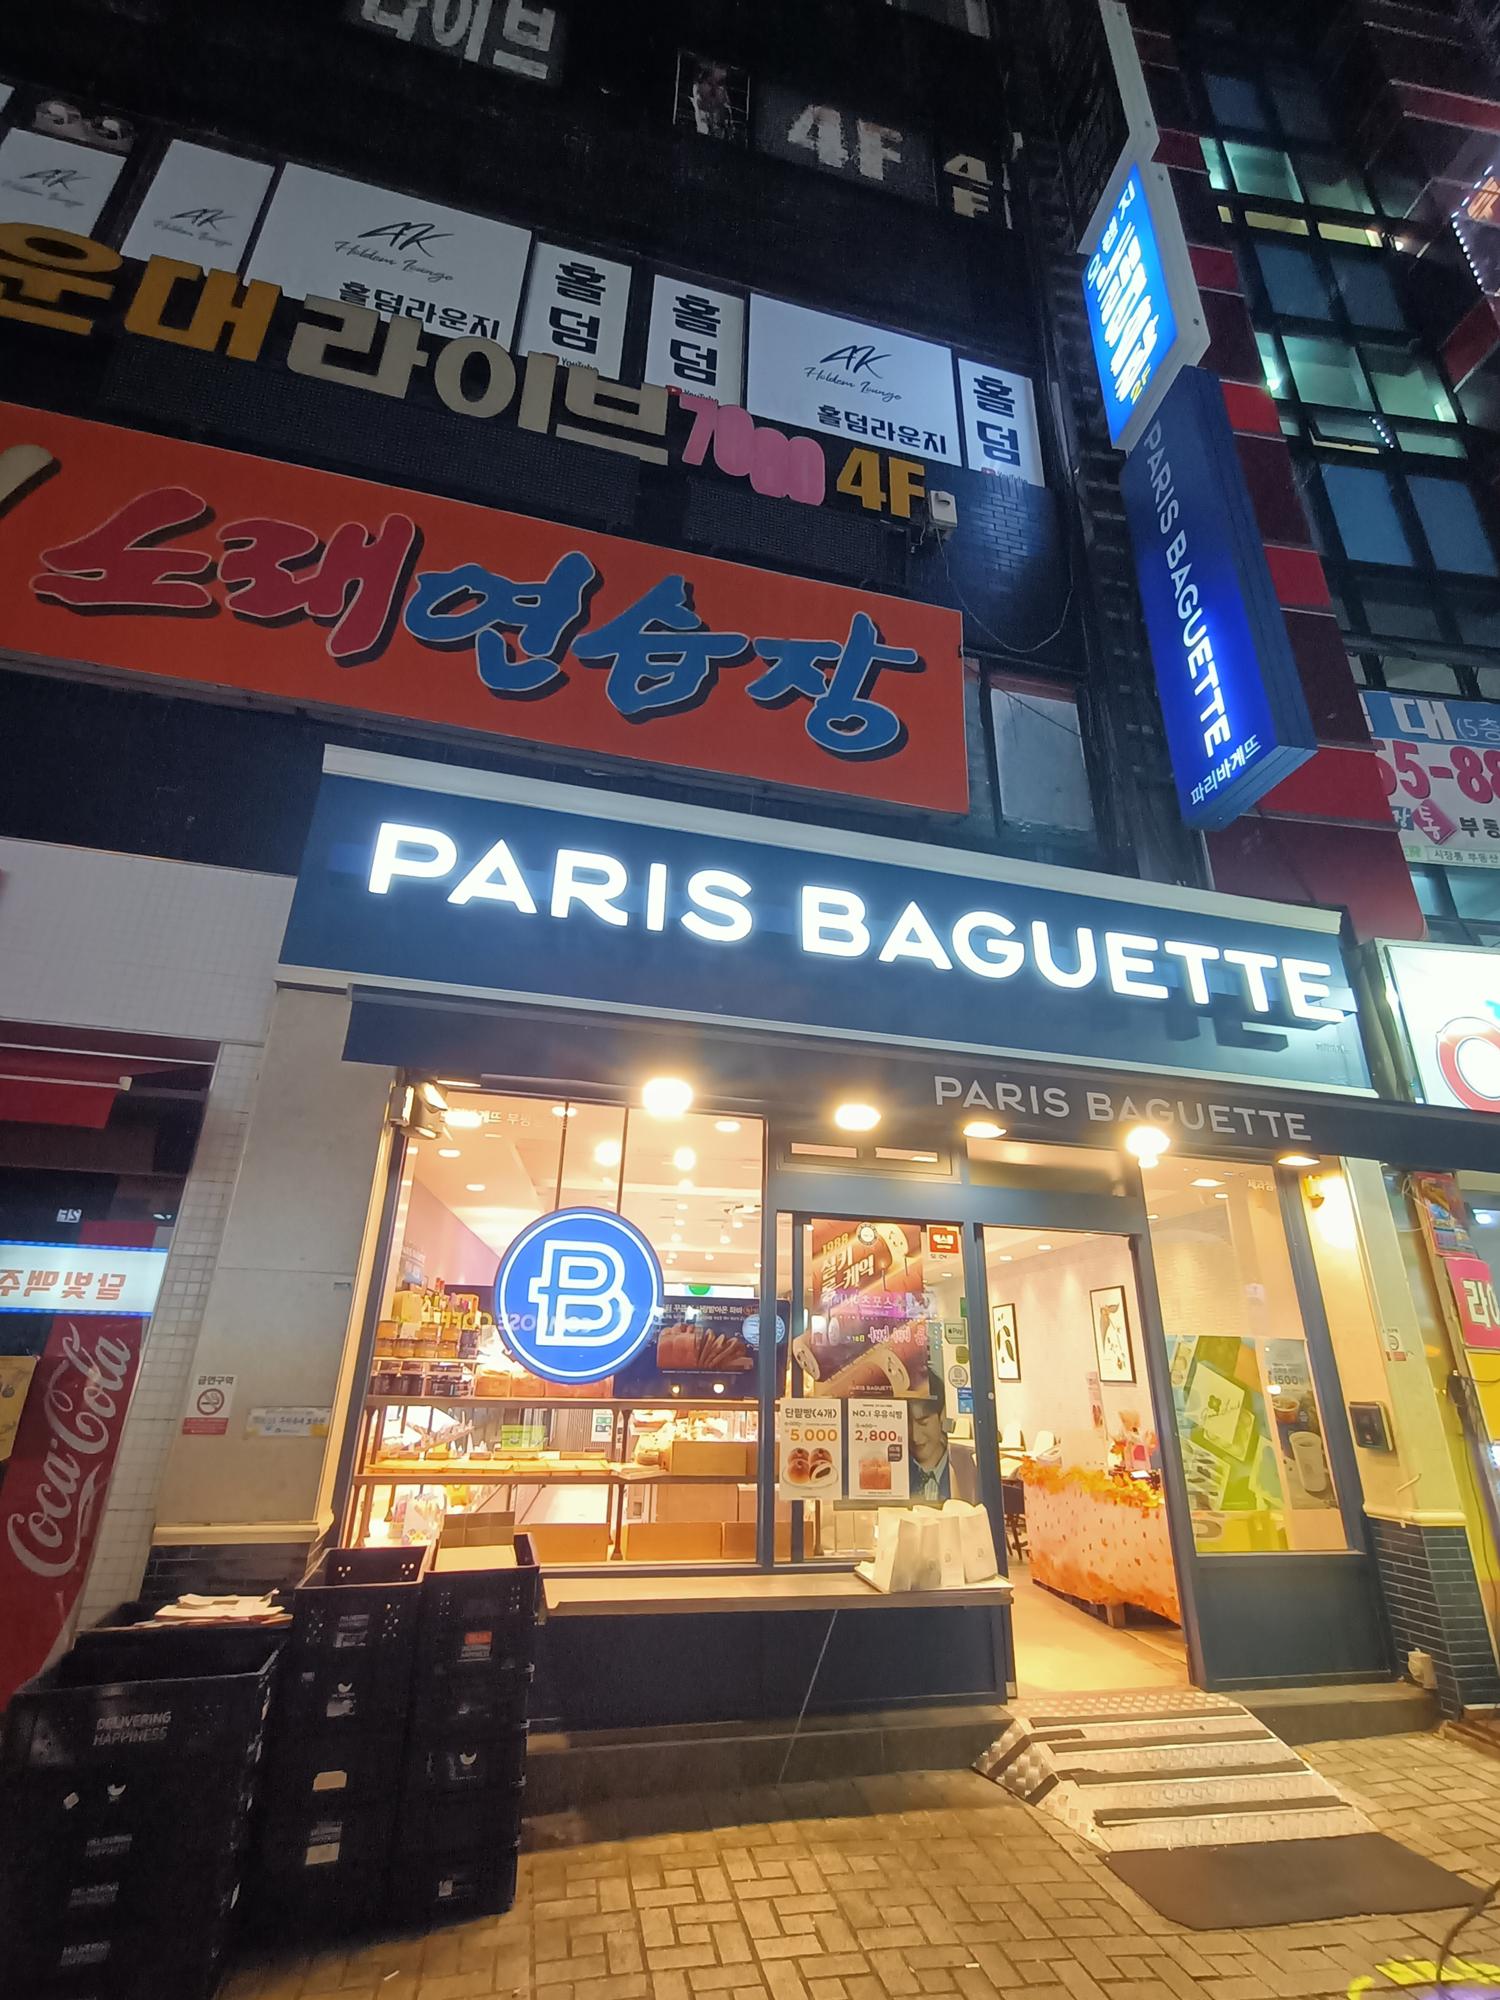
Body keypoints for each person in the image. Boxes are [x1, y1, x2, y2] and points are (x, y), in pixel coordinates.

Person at [908, 1373, 951, 1501]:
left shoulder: (964, 1471)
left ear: (942, 1414)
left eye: (923, 1422)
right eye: (906, 1424)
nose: (915, 1437)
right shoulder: (896, 1472)